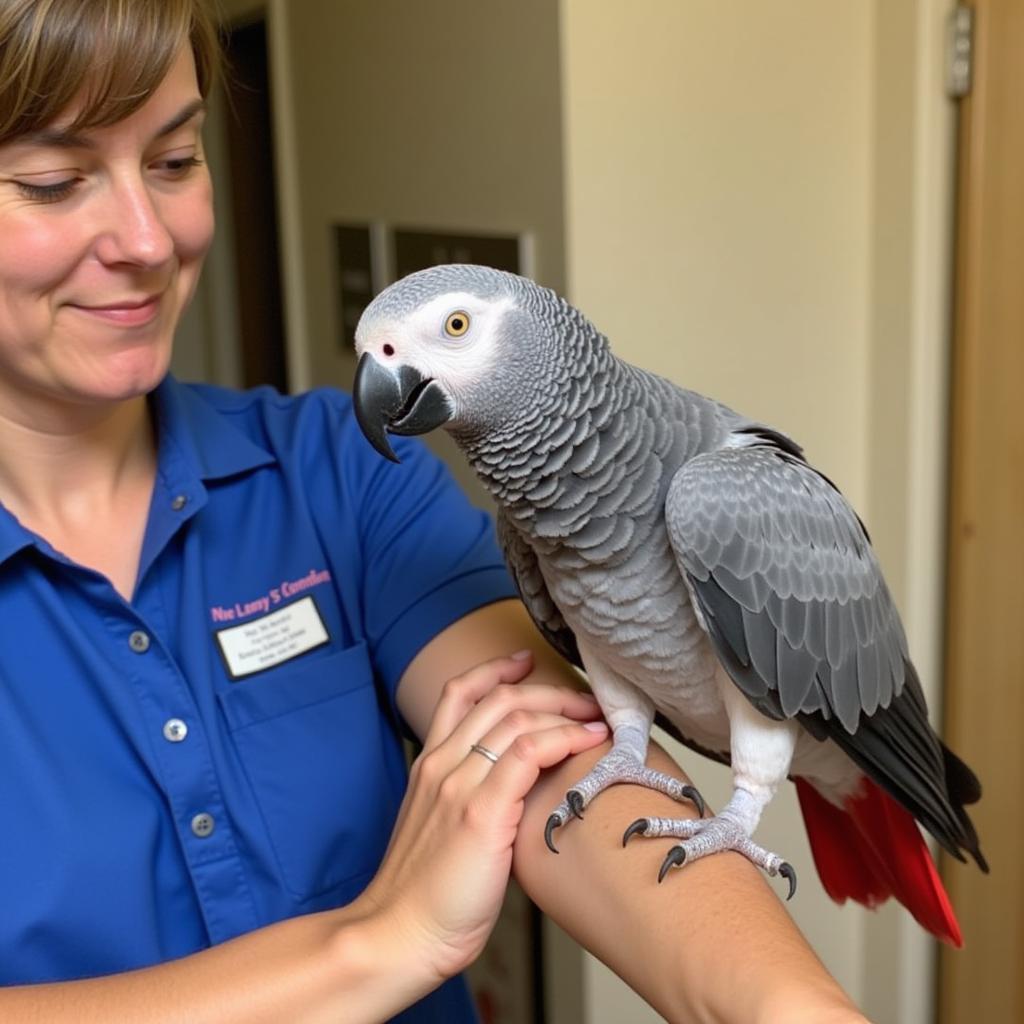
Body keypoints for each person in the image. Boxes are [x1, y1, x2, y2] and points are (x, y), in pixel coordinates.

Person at [0, 1, 870, 1021]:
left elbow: (562, 754)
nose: (147, 240)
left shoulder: (338, 472)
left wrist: (782, 1005)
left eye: (177, 160)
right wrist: (381, 943)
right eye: (54, 181)